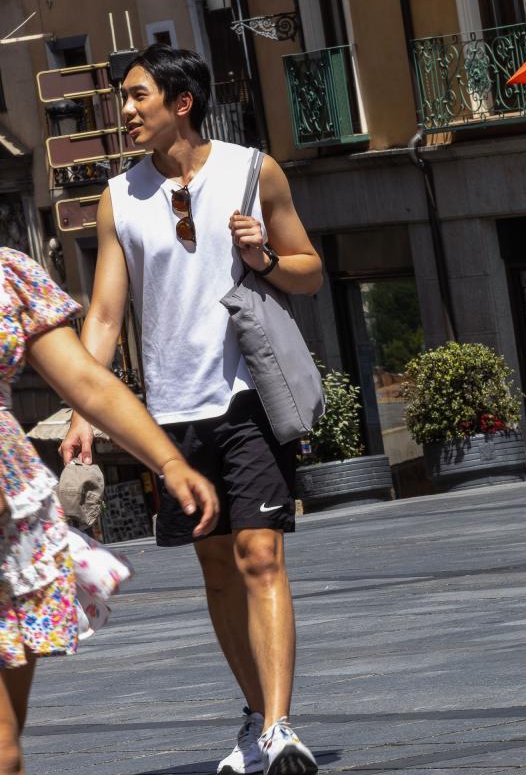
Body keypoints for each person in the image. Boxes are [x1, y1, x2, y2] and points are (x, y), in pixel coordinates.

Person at [58, 45, 324, 775]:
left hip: (246, 400)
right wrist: (85, 407)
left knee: (260, 554)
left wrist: (265, 255)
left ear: (182, 102)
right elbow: (108, 313)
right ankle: (253, 713)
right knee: (215, 572)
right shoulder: (120, 197)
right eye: (124, 99)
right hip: (171, 417)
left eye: (138, 95)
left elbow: (310, 271)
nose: (127, 109)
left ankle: (278, 729)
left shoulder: (251, 170)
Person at [0, 246, 218, 775]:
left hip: (10, 532)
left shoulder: (6, 273)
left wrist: (168, 461)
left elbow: (88, 382)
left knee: (4, 750)